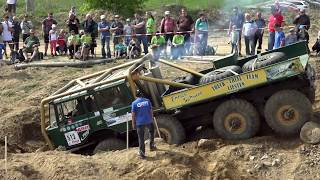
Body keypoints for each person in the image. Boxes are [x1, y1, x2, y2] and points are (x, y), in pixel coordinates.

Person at [131, 90, 156, 159]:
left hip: (139, 123)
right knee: (151, 132)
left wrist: (133, 124)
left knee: (141, 138)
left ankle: (142, 153)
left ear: (136, 96)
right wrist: (152, 119)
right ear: (142, 95)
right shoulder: (147, 101)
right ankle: (152, 146)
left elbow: (133, 115)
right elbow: (151, 111)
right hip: (148, 121)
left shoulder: (134, 103)